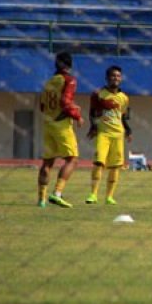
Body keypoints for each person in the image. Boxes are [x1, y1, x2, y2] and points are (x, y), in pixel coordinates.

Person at [38, 51, 84, 208]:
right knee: (72, 159)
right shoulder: (69, 80)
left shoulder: (49, 82)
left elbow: (42, 106)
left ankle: (41, 200)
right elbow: (65, 102)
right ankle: (57, 193)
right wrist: (77, 115)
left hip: (47, 123)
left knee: (47, 162)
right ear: (70, 66)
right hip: (61, 124)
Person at [86, 65, 132, 205]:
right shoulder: (99, 94)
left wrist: (128, 131)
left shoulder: (124, 98)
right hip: (103, 133)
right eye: (113, 76)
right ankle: (93, 194)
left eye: (118, 76)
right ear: (107, 78)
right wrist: (93, 126)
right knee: (99, 162)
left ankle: (109, 197)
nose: (115, 78)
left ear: (121, 78)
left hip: (118, 134)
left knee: (115, 166)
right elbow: (92, 113)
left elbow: (123, 117)